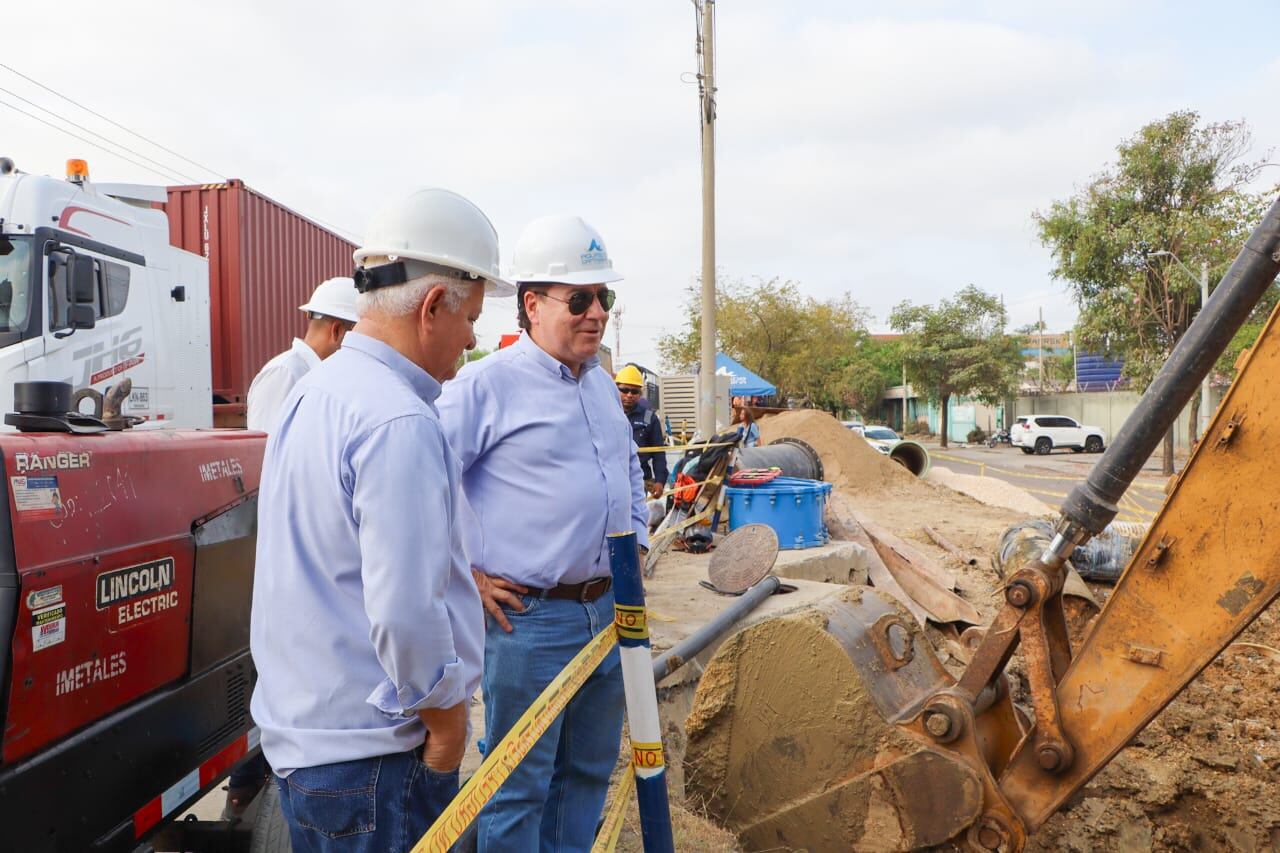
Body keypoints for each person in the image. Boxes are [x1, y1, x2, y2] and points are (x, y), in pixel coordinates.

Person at [250, 187, 512, 853]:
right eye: (471, 316)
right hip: (372, 760)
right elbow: (404, 611)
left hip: (311, 745)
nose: (473, 337)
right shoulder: (396, 419)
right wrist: (448, 725)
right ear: (431, 307)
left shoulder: (315, 393)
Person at [437, 214, 648, 852]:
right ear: (532, 304)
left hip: (607, 613)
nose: (597, 314)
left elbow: (630, 477)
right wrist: (465, 576)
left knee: (585, 774)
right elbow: (417, 489)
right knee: (518, 785)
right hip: (528, 621)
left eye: (603, 298)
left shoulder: (604, 390)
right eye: (579, 299)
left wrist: (635, 543)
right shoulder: (484, 386)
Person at [246, 276, 360, 431]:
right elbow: (264, 447)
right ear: (337, 330)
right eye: (358, 336)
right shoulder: (285, 373)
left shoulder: (320, 375)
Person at [615, 363, 668, 497]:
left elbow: (658, 452)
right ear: (615, 389)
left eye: (634, 391)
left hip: (638, 480)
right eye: (624, 390)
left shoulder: (648, 417)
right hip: (612, 478)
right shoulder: (606, 413)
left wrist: (660, 480)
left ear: (640, 393)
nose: (629, 395)